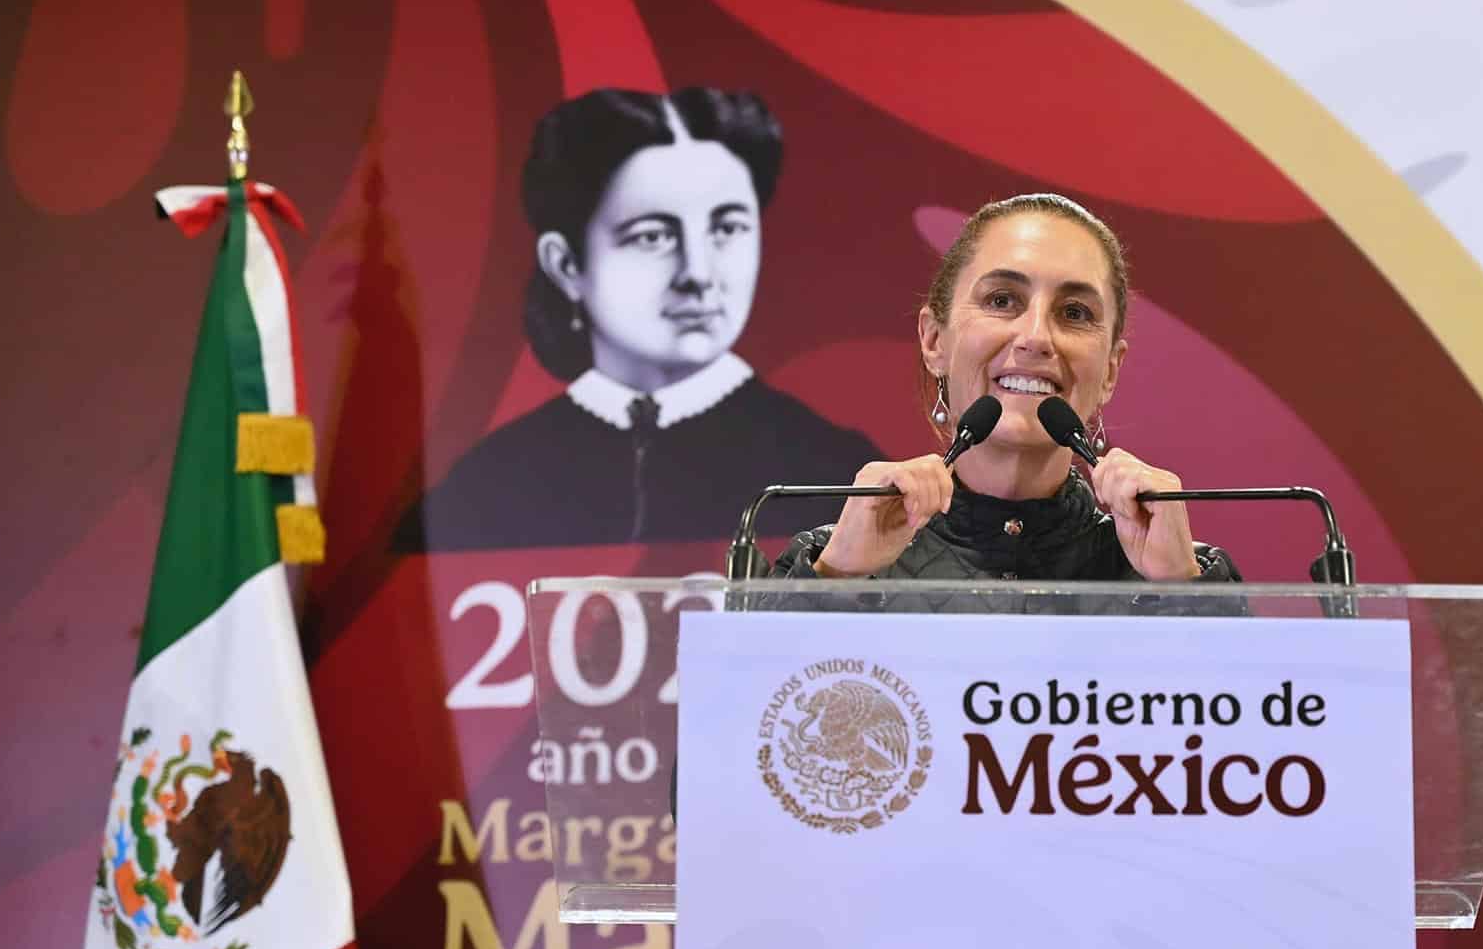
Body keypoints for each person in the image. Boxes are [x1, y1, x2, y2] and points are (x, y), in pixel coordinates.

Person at [399, 87, 879, 552]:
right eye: (653, 237)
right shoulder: (483, 489)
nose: (698, 273)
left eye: (727, 228)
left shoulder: (832, 472)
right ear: (566, 264)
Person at [770, 193, 1237, 584]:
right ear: (934, 341)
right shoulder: (821, 564)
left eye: (1074, 313)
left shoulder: (1187, 573)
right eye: (1001, 300)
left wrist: (1183, 593)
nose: (1035, 337)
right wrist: (836, 579)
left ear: (1111, 370)